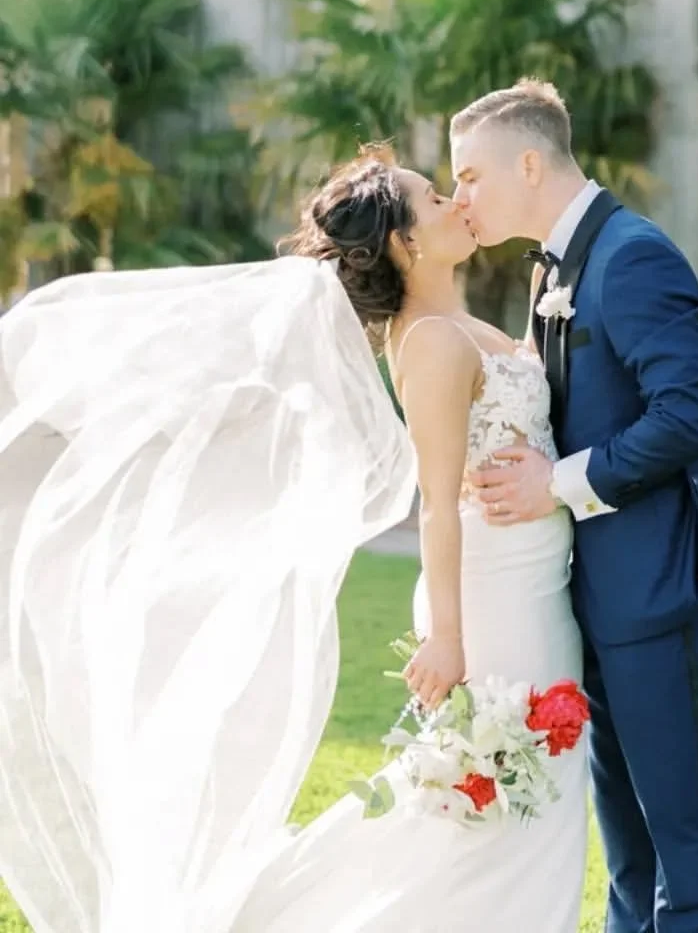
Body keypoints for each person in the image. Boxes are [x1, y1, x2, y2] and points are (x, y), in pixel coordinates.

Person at [0, 149, 586, 932]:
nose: (454, 202)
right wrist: (447, 638)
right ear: (406, 244)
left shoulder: (458, 325)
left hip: (529, 580)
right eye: (434, 197)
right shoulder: (433, 342)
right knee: (502, 793)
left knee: (501, 794)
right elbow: (437, 506)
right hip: (492, 597)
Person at [451, 78, 698, 933]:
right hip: (600, 594)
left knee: (680, 829)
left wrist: (557, 483)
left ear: (530, 162)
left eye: (470, 175)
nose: (462, 193)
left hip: (663, 587)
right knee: (626, 841)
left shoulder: (634, 256)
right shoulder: (556, 265)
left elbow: (688, 413)